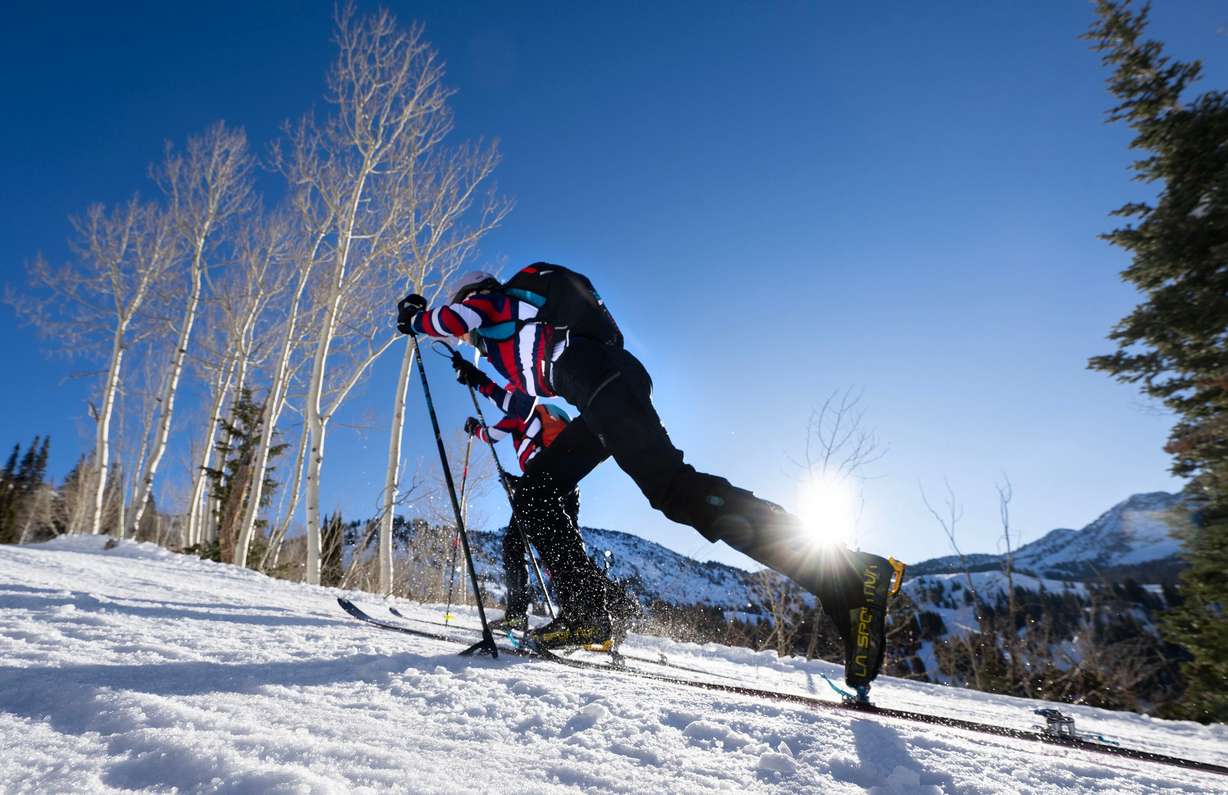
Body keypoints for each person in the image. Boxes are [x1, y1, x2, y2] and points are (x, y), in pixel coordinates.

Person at [399, 264, 904, 694]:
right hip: (600, 393)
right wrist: (477, 375)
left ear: (472, 296)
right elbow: (516, 391)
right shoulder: (513, 332)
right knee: (536, 492)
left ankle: (848, 573)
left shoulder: (493, 303)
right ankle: (589, 610)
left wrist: (418, 318)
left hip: (605, 385)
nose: (464, 335)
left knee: (674, 490)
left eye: (463, 320)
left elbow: (452, 320)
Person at [456, 356, 633, 648]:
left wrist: (476, 426)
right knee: (562, 551)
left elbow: (493, 435)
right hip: (561, 484)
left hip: (546, 485)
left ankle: (537, 615)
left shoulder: (522, 410)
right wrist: (517, 481)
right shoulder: (537, 419)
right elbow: (538, 452)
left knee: (530, 546)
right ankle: (615, 606)